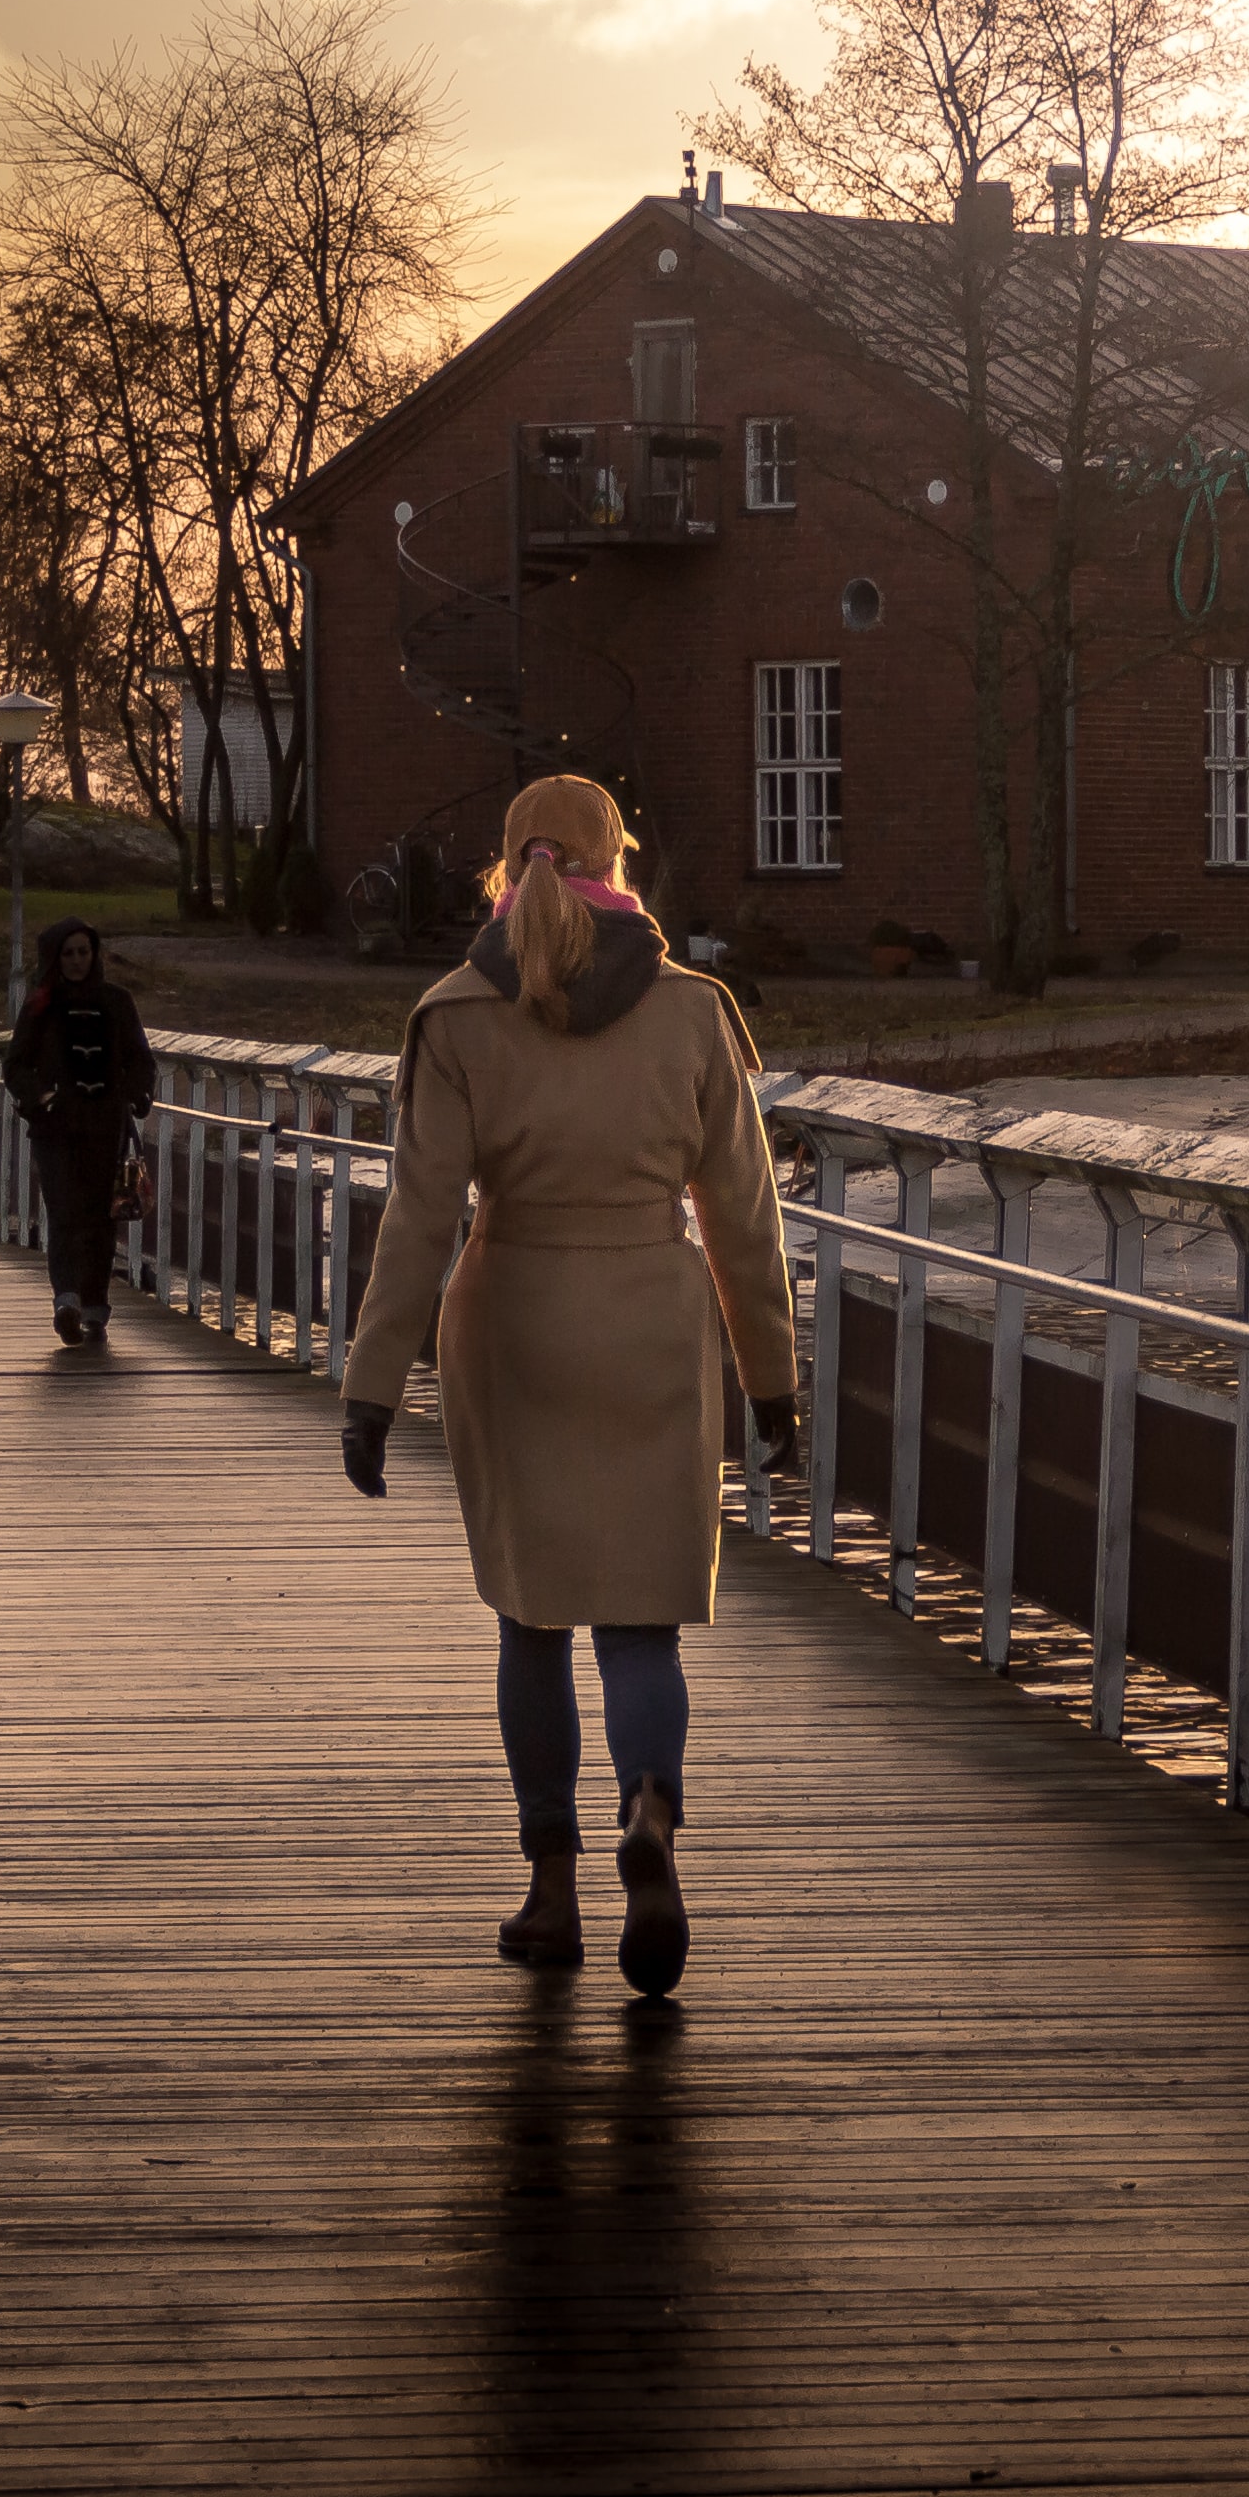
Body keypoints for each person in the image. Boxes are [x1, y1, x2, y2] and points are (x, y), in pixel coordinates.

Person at [338, 775, 799, 1996]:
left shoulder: (455, 1015)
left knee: (531, 1616)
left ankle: (550, 1890)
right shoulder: (695, 1010)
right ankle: (648, 1806)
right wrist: (772, 1379)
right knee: (642, 1617)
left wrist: (371, 1385)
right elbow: (743, 1216)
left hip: (517, 1317)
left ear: (505, 864)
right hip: (652, 1314)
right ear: (615, 858)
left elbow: (422, 1217)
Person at [5, 918, 152, 1343]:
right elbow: (15, 1064)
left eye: (83, 952)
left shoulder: (118, 1002)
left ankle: (95, 1305)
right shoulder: (40, 1006)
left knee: (100, 1216)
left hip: (106, 1126)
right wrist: (42, 1097)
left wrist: (137, 1093)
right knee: (64, 1211)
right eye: (67, 953)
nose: (76, 961)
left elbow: (141, 1059)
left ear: (94, 954)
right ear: (55, 957)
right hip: (56, 1128)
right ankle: (66, 1300)